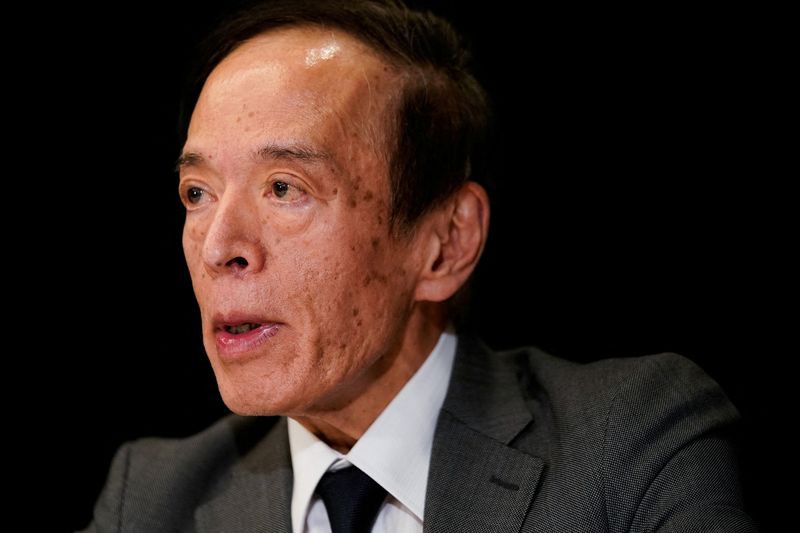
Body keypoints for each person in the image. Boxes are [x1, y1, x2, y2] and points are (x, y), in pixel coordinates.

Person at [82, 1, 758, 531]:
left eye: (285, 187)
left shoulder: (628, 444)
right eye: (197, 194)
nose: (217, 245)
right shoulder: (151, 498)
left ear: (445, 242)